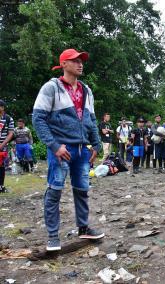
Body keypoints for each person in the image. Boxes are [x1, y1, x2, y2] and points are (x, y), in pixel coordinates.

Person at [32, 48, 104, 251]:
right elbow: (38, 119)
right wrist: (54, 146)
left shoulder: (86, 90)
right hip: (61, 149)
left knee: (82, 191)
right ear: (63, 64)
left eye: (82, 60)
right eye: (75, 60)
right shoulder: (51, 88)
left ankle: (84, 228)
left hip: (82, 150)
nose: (80, 63)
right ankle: (53, 236)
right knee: (54, 191)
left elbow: (91, 119)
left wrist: (96, 144)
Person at [0, 100, 14, 193]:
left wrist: (2, 144)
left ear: (2, 107)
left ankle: (1, 186)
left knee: (1, 166)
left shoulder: (8, 119)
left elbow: (10, 134)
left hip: (2, 147)